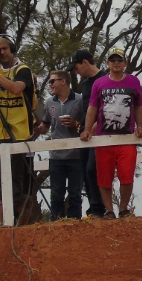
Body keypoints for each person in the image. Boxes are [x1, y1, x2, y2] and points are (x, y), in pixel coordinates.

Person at [81, 47, 142, 218]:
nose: (116, 63)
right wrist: (87, 130)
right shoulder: (99, 83)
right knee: (104, 177)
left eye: (119, 60)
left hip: (126, 137)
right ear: (107, 63)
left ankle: (124, 209)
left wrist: (140, 126)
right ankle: (109, 210)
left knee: (127, 176)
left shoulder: (133, 81)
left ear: (125, 63)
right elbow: (92, 107)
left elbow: (139, 104)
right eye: (113, 60)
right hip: (104, 138)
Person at [36, 70, 85, 220]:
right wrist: (40, 128)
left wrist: (75, 124)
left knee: (75, 193)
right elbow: (46, 124)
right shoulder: (49, 102)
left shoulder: (80, 100)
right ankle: (55, 222)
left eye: (52, 81)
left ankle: (74, 222)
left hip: (76, 154)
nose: (50, 85)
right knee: (56, 193)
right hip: (56, 155)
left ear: (63, 81)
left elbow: (88, 125)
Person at [69, 50, 107, 219]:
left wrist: (98, 123)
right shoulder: (85, 84)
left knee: (93, 168)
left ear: (85, 62)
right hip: (85, 132)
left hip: (100, 132)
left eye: (76, 67)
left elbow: (108, 105)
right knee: (85, 170)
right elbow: (86, 108)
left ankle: (100, 207)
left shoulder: (105, 79)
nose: (75, 71)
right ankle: (93, 207)